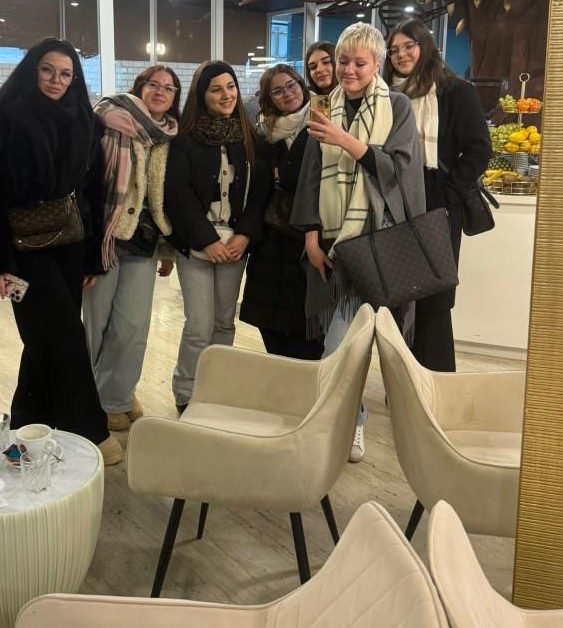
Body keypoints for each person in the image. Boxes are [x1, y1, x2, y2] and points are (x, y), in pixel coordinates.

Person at [0, 38, 122, 465]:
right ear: (32, 70)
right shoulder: (3, 116)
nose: (56, 80)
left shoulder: (83, 119)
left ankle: (27, 425)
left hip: (69, 241)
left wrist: (92, 256)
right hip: (19, 249)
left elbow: (92, 190)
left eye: (66, 73)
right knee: (64, 336)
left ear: (75, 79)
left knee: (45, 338)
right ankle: (88, 430)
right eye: (48, 70)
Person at [292, 23, 425, 461]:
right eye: (343, 61)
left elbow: (399, 169)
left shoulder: (397, 106)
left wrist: (347, 141)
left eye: (359, 63)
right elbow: (311, 177)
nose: (349, 70)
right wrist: (311, 237)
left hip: (375, 242)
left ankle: (350, 423)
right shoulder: (324, 107)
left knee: (344, 344)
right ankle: (347, 421)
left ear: (377, 64)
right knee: (343, 343)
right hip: (331, 241)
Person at [383, 17, 491, 371]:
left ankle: (435, 383)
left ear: (425, 46)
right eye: (394, 50)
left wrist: (447, 195)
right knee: (397, 294)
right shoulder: (385, 95)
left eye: (408, 46)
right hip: (394, 198)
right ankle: (403, 384)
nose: (401, 55)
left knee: (434, 297)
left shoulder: (455, 91)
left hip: (436, 199)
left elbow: (478, 149)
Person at [165, 60, 270, 413]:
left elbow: (260, 193)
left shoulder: (250, 137)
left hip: (235, 245)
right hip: (196, 246)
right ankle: (187, 391)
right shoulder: (184, 140)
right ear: (202, 95)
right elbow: (177, 195)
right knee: (199, 325)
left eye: (230, 87)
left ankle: (217, 388)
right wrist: (206, 240)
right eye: (216, 89)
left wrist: (245, 236)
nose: (226, 95)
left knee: (224, 323)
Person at [82, 65, 180, 432]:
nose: (160, 91)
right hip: (105, 236)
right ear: (140, 87)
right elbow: (89, 180)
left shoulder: (169, 134)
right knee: (97, 324)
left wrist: (168, 250)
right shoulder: (109, 117)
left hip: (144, 240)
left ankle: (116, 395)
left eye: (169, 88)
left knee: (133, 325)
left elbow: (166, 196)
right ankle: (86, 397)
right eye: (154, 84)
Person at [240, 64, 324, 359]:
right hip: (270, 242)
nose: (287, 93)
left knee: (308, 332)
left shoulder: (322, 125)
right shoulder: (262, 135)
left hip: (308, 239)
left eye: (291, 85)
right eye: (277, 91)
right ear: (268, 99)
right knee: (270, 328)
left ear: (302, 86)